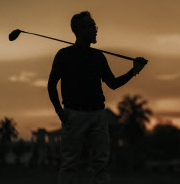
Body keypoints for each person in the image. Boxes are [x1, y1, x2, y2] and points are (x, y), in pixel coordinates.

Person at [47, 11, 147, 184]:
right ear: (79, 30)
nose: (95, 30)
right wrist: (59, 112)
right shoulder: (64, 55)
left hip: (98, 115)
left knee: (101, 164)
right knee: (69, 164)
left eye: (95, 26)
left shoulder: (98, 56)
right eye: (91, 26)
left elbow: (113, 83)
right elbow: (51, 84)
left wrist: (133, 71)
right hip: (73, 114)